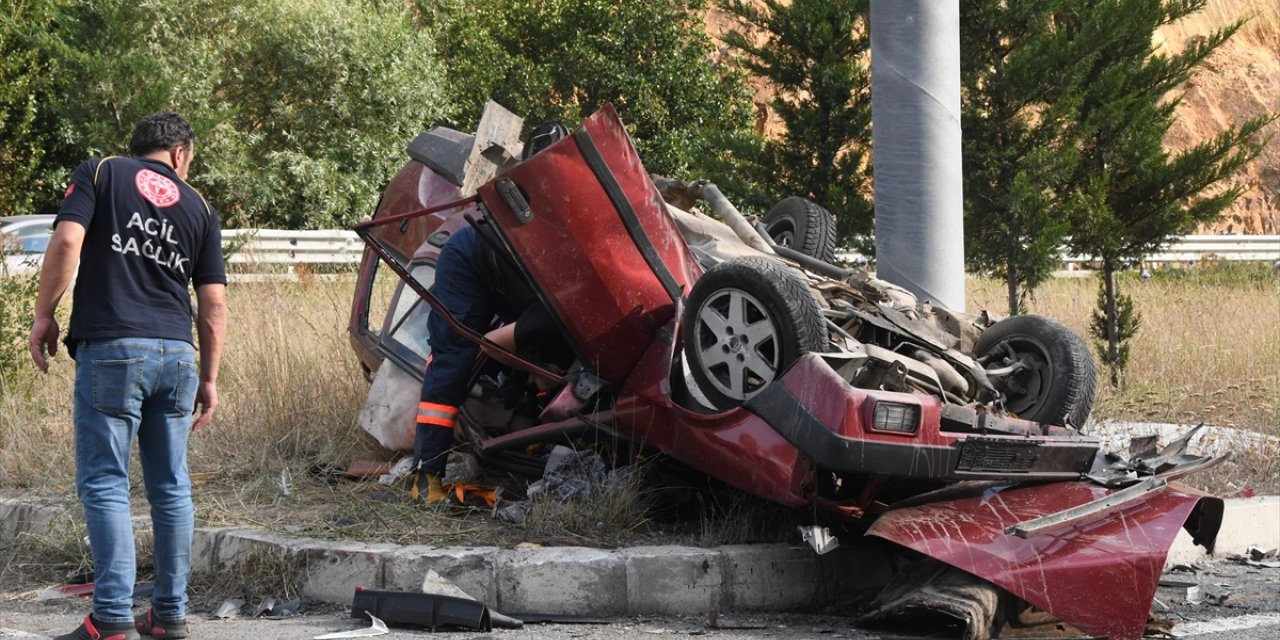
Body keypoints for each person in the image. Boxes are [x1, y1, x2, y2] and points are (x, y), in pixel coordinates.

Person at [30, 111, 227, 640]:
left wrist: (45, 313)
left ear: (138, 147)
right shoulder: (200, 206)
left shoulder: (101, 171)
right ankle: (168, 616)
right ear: (180, 155)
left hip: (114, 348)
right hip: (178, 356)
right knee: (171, 487)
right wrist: (209, 377)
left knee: (106, 483)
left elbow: (68, 242)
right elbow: (212, 305)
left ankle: (113, 619)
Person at [410, 221, 566, 503]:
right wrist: (524, 374)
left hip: (513, 282)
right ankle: (426, 476)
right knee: (453, 359)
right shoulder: (553, 317)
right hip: (469, 260)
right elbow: (491, 343)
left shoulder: (568, 324)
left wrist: (524, 377)